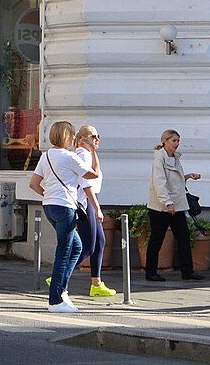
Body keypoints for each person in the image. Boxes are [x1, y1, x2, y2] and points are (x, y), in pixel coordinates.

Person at [30, 120, 98, 312]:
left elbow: (34, 184)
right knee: (64, 251)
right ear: (68, 137)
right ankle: (56, 300)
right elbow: (93, 175)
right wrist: (92, 151)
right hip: (65, 207)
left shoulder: (45, 156)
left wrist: (49, 194)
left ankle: (62, 290)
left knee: (76, 247)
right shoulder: (68, 157)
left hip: (50, 206)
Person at [145, 129, 205, 282]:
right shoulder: (159, 158)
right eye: (174, 141)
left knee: (184, 238)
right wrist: (168, 202)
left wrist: (187, 176)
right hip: (161, 207)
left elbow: (174, 181)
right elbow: (159, 182)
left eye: (178, 141)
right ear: (164, 141)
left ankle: (187, 271)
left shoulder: (175, 158)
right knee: (157, 239)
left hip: (177, 206)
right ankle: (150, 272)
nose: (177, 144)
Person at [73, 125, 116, 298]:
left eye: (98, 136)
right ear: (82, 139)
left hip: (88, 202)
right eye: (93, 136)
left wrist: (93, 150)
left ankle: (96, 283)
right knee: (89, 245)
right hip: (86, 203)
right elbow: (86, 184)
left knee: (99, 242)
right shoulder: (83, 154)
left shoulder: (88, 154)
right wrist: (97, 207)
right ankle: (59, 274)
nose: (97, 139)